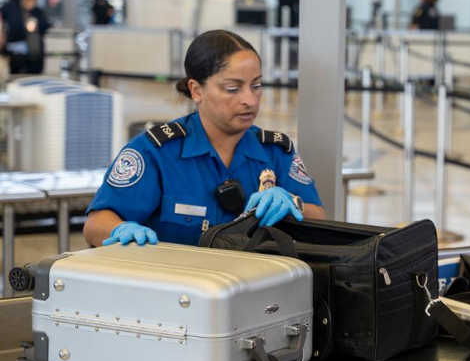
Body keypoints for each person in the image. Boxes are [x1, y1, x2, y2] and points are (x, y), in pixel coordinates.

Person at [84, 29, 326, 247]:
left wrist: (294, 204)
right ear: (196, 90)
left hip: (256, 288)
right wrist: (120, 229)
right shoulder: (156, 152)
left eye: (256, 85)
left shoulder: (274, 151)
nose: (250, 100)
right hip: (181, 288)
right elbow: (95, 224)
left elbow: (319, 219)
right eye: (233, 88)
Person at [1, 0, 51, 74]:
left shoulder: (37, 11)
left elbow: (45, 26)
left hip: (34, 55)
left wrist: (36, 24)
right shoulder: (9, 8)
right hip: (15, 55)